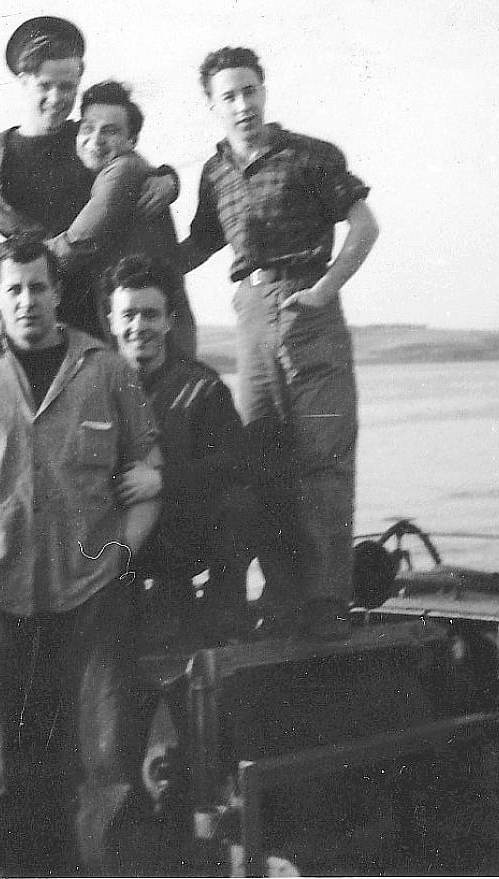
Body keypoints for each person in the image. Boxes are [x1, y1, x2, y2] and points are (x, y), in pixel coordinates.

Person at [0, 237, 162, 875]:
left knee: (107, 758)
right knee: (19, 765)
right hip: (6, 601)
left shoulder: (109, 372)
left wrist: (121, 551)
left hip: (93, 598)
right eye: (14, 289)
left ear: (58, 292)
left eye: (38, 287)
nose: (27, 300)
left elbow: (147, 474)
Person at [179, 47, 380, 639]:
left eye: (249, 91)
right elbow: (199, 244)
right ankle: (284, 596)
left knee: (322, 456)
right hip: (250, 315)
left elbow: (365, 225)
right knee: (260, 458)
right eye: (229, 96)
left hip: (309, 309)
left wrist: (324, 289)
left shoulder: (309, 157)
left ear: (263, 90)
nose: (242, 105)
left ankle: (326, 603)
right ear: (212, 106)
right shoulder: (214, 171)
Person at [0, 16, 178, 343]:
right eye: (45, 86)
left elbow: (132, 169)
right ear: (23, 81)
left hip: (94, 319)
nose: (56, 97)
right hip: (25, 319)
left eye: (67, 87)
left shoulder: (87, 140)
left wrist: (168, 179)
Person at [106, 253, 272, 643]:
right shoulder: (91, 387)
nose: (139, 326)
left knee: (240, 504)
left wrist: (162, 480)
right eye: (128, 315)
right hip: (111, 537)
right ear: (111, 321)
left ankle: (225, 618)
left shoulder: (203, 388)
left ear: (168, 320)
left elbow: (235, 464)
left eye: (150, 314)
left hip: (182, 535)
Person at [47, 80, 197, 356]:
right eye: (88, 128)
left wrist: (23, 257)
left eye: (111, 131)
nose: (96, 140)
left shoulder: (124, 169)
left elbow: (79, 242)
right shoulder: (106, 172)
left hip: (153, 330)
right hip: (139, 324)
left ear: (132, 141)